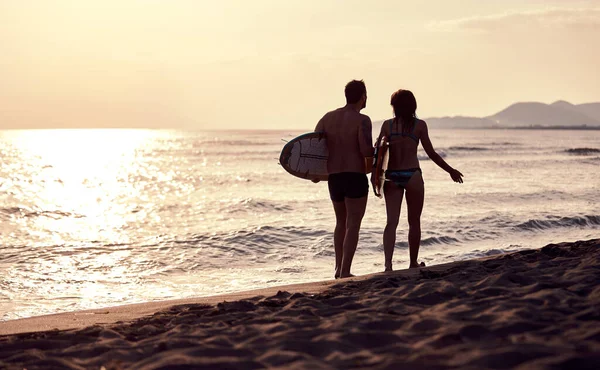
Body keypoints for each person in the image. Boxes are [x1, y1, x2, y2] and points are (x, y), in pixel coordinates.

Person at [372, 89, 463, 271]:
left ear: (394, 106)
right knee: (414, 222)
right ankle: (412, 262)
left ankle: (388, 266)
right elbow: (431, 153)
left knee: (391, 222)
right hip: (412, 174)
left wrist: (375, 178)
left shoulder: (387, 126)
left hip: (392, 176)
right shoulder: (420, 125)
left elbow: (378, 153)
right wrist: (450, 170)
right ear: (413, 106)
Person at [314, 80, 374, 279]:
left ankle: (338, 269)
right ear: (362, 96)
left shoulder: (327, 118)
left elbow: (314, 147)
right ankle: (346, 270)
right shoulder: (362, 120)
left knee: (340, 222)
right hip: (355, 176)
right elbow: (365, 150)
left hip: (334, 178)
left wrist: (315, 173)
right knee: (353, 224)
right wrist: (380, 153)